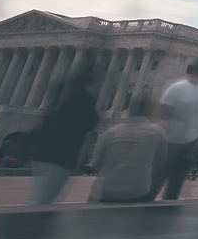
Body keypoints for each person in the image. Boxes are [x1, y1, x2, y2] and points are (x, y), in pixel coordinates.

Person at [25, 64, 100, 204]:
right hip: (62, 152)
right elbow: (91, 122)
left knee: (37, 193)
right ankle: (28, 222)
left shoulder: (61, 91)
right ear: (87, 81)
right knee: (46, 196)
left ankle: (23, 219)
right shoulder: (82, 95)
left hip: (42, 150)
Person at [88, 97, 167, 203]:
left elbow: (97, 164)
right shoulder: (158, 132)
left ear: (129, 110)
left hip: (104, 191)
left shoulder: (112, 132)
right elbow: (160, 165)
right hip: (138, 192)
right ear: (149, 111)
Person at [158, 57, 198, 200]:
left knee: (179, 177)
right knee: (160, 174)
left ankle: (169, 206)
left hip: (192, 139)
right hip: (172, 139)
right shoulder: (177, 87)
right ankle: (147, 202)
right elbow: (164, 111)